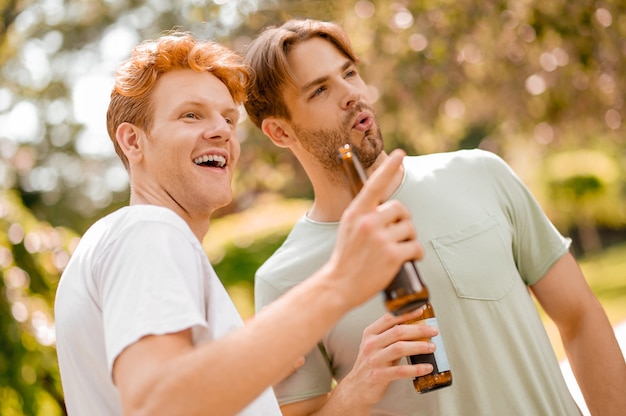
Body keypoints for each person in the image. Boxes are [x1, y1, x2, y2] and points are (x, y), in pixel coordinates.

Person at [244, 19, 626, 416]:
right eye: (320, 90)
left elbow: (580, 315)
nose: (352, 94)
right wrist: (352, 392)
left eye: (350, 73)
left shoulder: (480, 174)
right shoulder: (282, 281)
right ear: (279, 132)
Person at [53, 30, 435, 416]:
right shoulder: (148, 231)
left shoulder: (114, 242)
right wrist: (340, 281)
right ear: (133, 142)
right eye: (191, 114)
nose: (222, 130)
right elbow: (157, 404)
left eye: (229, 119)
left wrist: (263, 364)